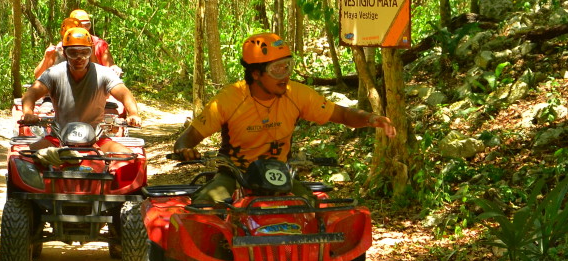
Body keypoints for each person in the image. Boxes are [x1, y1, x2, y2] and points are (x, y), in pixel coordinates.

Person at [173, 32, 396, 204]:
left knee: (310, 207)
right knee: (206, 206)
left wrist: (371, 118)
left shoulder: (296, 93)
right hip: (235, 174)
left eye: (287, 66)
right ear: (256, 73)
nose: (285, 75)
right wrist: (185, 150)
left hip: (278, 175)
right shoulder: (230, 99)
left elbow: (342, 114)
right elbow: (187, 138)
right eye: (277, 69)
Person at [20, 27, 142, 166]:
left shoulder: (104, 74)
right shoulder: (53, 73)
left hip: (97, 137)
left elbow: (124, 93)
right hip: (58, 138)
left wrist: (133, 114)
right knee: (25, 160)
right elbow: (32, 93)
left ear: (91, 52)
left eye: (85, 52)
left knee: (129, 161)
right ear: (64, 53)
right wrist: (28, 113)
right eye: (73, 53)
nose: (79, 58)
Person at [32, 10, 123, 79]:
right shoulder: (60, 49)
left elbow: (105, 69)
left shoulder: (100, 44)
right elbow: (39, 76)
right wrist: (46, 58)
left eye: (87, 25)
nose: (84, 28)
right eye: (80, 25)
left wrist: (114, 68)